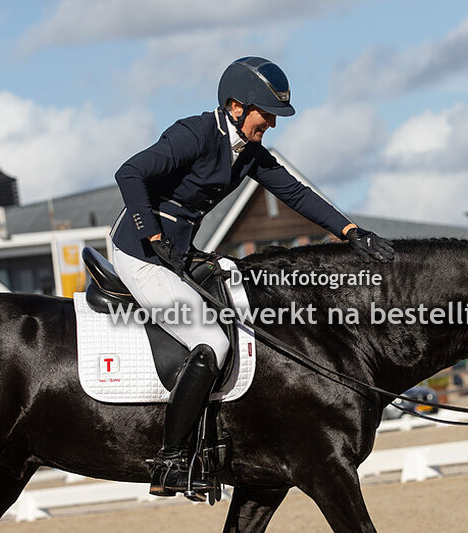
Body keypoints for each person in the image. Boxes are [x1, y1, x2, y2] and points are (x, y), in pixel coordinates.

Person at [110, 56, 394, 497]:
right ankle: (169, 462)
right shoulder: (193, 134)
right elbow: (129, 173)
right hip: (140, 250)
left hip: (179, 253)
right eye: (268, 114)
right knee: (213, 342)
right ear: (237, 107)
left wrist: (351, 233)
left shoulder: (248, 154)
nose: (273, 125)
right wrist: (155, 235)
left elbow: (296, 193)